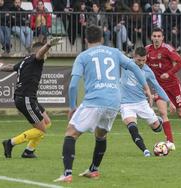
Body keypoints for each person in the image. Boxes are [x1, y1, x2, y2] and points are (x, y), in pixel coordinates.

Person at [54, 25, 152, 183]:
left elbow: (73, 85)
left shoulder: (83, 56)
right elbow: (134, 66)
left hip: (95, 100)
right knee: (101, 135)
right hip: (114, 101)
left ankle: (67, 173)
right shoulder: (114, 52)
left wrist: (72, 107)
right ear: (101, 39)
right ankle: (93, 170)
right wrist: (146, 88)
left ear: (86, 40)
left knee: (71, 133)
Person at [0, 37, 63, 158]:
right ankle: (10, 143)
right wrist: (48, 45)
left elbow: (11, 67)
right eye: (47, 52)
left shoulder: (26, 60)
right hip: (26, 99)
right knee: (41, 130)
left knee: (47, 122)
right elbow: (39, 54)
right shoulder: (36, 59)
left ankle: (29, 151)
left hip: (29, 98)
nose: (47, 55)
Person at [146, 27, 181, 145]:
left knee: (180, 113)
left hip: (172, 85)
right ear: (151, 37)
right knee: (163, 113)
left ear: (162, 38)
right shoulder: (147, 50)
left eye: (158, 36)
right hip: (159, 87)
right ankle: (170, 141)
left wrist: (169, 73)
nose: (156, 39)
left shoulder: (167, 49)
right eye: (154, 36)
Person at [120, 47, 176, 157]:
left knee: (157, 128)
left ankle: (158, 121)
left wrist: (170, 102)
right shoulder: (125, 64)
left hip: (142, 103)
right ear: (134, 56)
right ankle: (145, 150)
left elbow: (157, 87)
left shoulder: (148, 71)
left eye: (143, 60)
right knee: (132, 127)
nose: (141, 63)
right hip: (126, 103)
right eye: (138, 60)